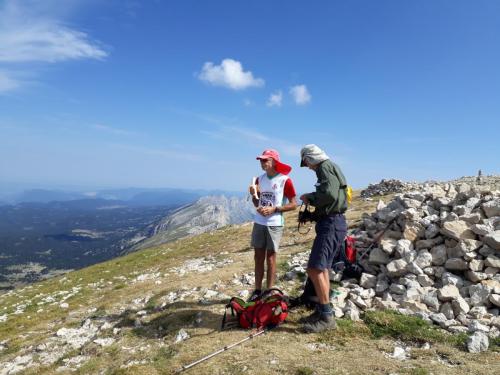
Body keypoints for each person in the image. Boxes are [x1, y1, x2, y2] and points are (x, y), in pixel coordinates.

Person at [299, 144, 348, 333]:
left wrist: (310, 198)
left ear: (310, 158)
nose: (308, 167)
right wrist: (312, 216)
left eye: (307, 163)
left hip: (331, 224)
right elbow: (333, 197)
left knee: (315, 269)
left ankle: (327, 317)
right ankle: (322, 310)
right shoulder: (330, 167)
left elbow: (328, 194)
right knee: (323, 268)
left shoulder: (324, 167)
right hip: (332, 222)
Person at [248, 149, 297, 301]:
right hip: (259, 222)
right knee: (258, 257)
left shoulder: (285, 180)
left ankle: (269, 290)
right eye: (261, 160)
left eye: (265, 160)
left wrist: (274, 209)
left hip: (275, 224)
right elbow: (257, 202)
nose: (262, 163)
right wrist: (253, 195)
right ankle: (257, 290)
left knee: (270, 258)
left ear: (274, 162)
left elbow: (294, 204)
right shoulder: (259, 180)